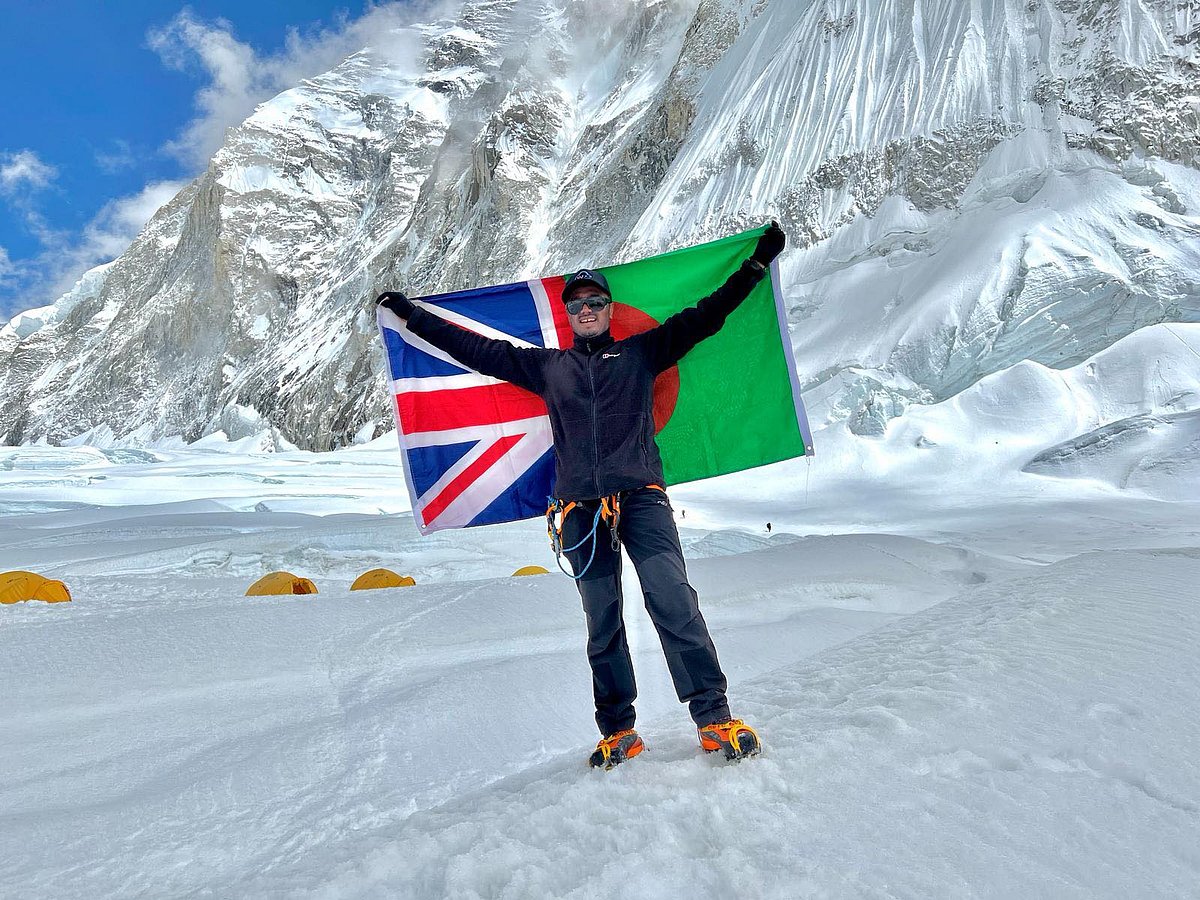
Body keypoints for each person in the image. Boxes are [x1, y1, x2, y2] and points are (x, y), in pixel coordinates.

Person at [377, 222, 785, 768]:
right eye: (578, 304)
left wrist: (755, 265)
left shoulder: (643, 353)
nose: (587, 309)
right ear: (569, 316)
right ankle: (617, 730)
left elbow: (707, 315)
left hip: (641, 498)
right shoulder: (550, 368)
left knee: (673, 600)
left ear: (609, 310)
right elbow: (476, 349)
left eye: (595, 301)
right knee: (602, 618)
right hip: (579, 511)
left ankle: (714, 717)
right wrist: (413, 317)